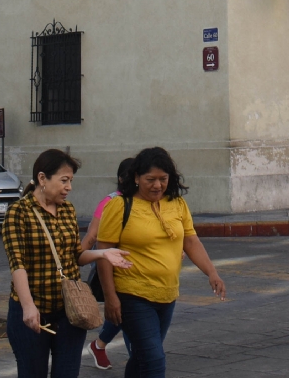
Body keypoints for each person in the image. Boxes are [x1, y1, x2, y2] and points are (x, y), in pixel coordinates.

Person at [96, 147, 226, 377]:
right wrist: (110, 298)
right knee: (154, 360)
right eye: (150, 180)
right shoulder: (119, 206)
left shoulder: (177, 204)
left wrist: (212, 273)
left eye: (163, 179)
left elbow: (191, 241)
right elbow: (104, 253)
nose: (157, 185)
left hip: (167, 295)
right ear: (136, 178)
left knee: (142, 358)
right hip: (132, 295)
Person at [1, 148, 131, 378]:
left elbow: (75, 256)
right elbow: (17, 263)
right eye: (64, 180)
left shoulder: (68, 210)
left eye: (70, 181)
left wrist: (103, 253)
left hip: (70, 312)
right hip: (33, 314)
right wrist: (28, 306)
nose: (69, 187)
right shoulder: (18, 212)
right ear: (42, 178)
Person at [88, 158, 136, 371]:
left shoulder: (144, 202)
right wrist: (76, 259)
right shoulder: (111, 201)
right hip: (112, 268)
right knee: (126, 313)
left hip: (135, 270)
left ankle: (99, 345)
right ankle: (139, 358)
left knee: (123, 313)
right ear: (121, 178)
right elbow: (92, 236)